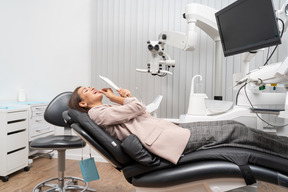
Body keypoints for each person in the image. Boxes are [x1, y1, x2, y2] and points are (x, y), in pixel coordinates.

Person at [68, 86, 288, 165]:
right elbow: (136, 107)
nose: (94, 89)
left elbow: (140, 111)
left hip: (168, 132)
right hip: (167, 140)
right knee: (236, 130)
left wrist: (125, 99)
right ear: (83, 103)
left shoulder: (103, 111)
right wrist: (120, 98)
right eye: (87, 90)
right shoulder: (97, 113)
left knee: (234, 127)